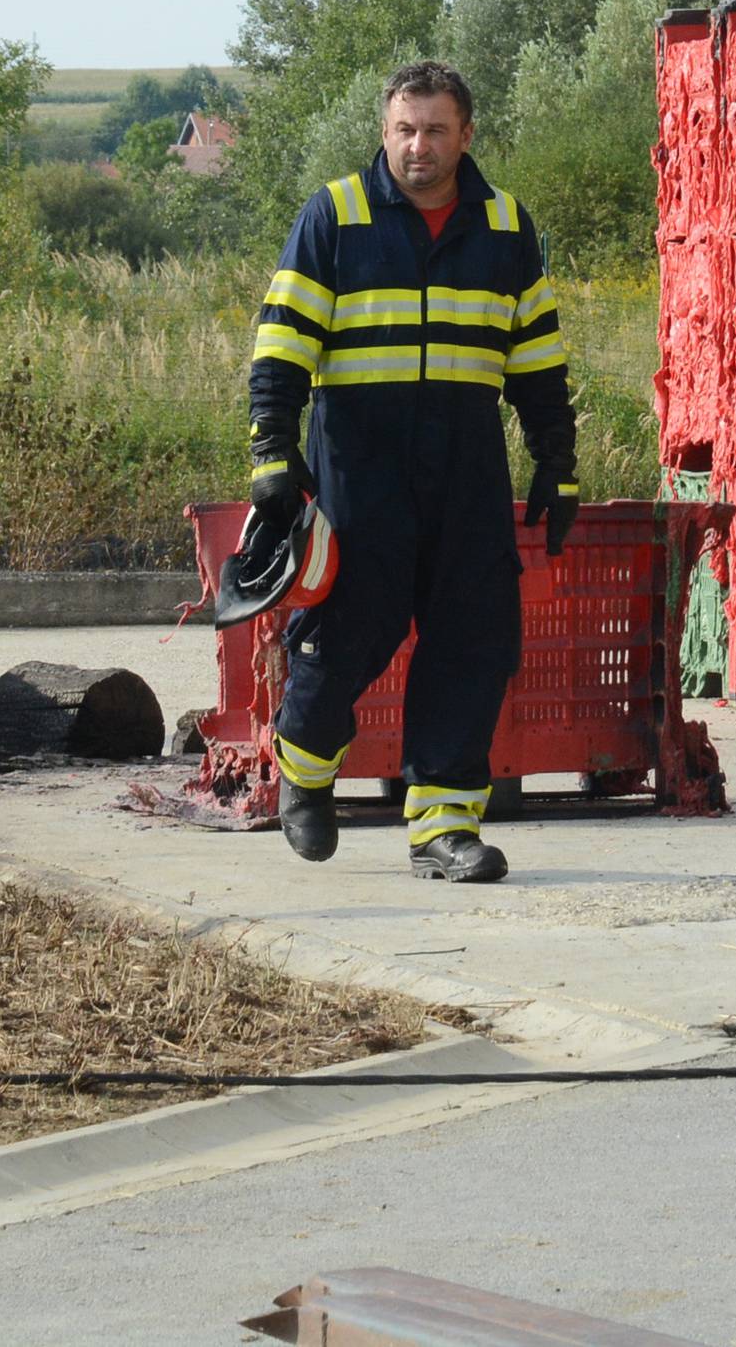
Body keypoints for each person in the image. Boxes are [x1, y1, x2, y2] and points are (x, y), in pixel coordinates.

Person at [245, 59, 579, 878]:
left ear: (467, 134)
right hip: (360, 455)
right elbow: (283, 337)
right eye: (403, 128)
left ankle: (443, 825)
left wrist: (557, 456)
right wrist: (272, 451)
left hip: (467, 457)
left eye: (434, 129)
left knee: (474, 637)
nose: (417, 145)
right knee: (354, 623)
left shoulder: (506, 225)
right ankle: (305, 760)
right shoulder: (337, 214)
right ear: (384, 131)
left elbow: (535, 353)